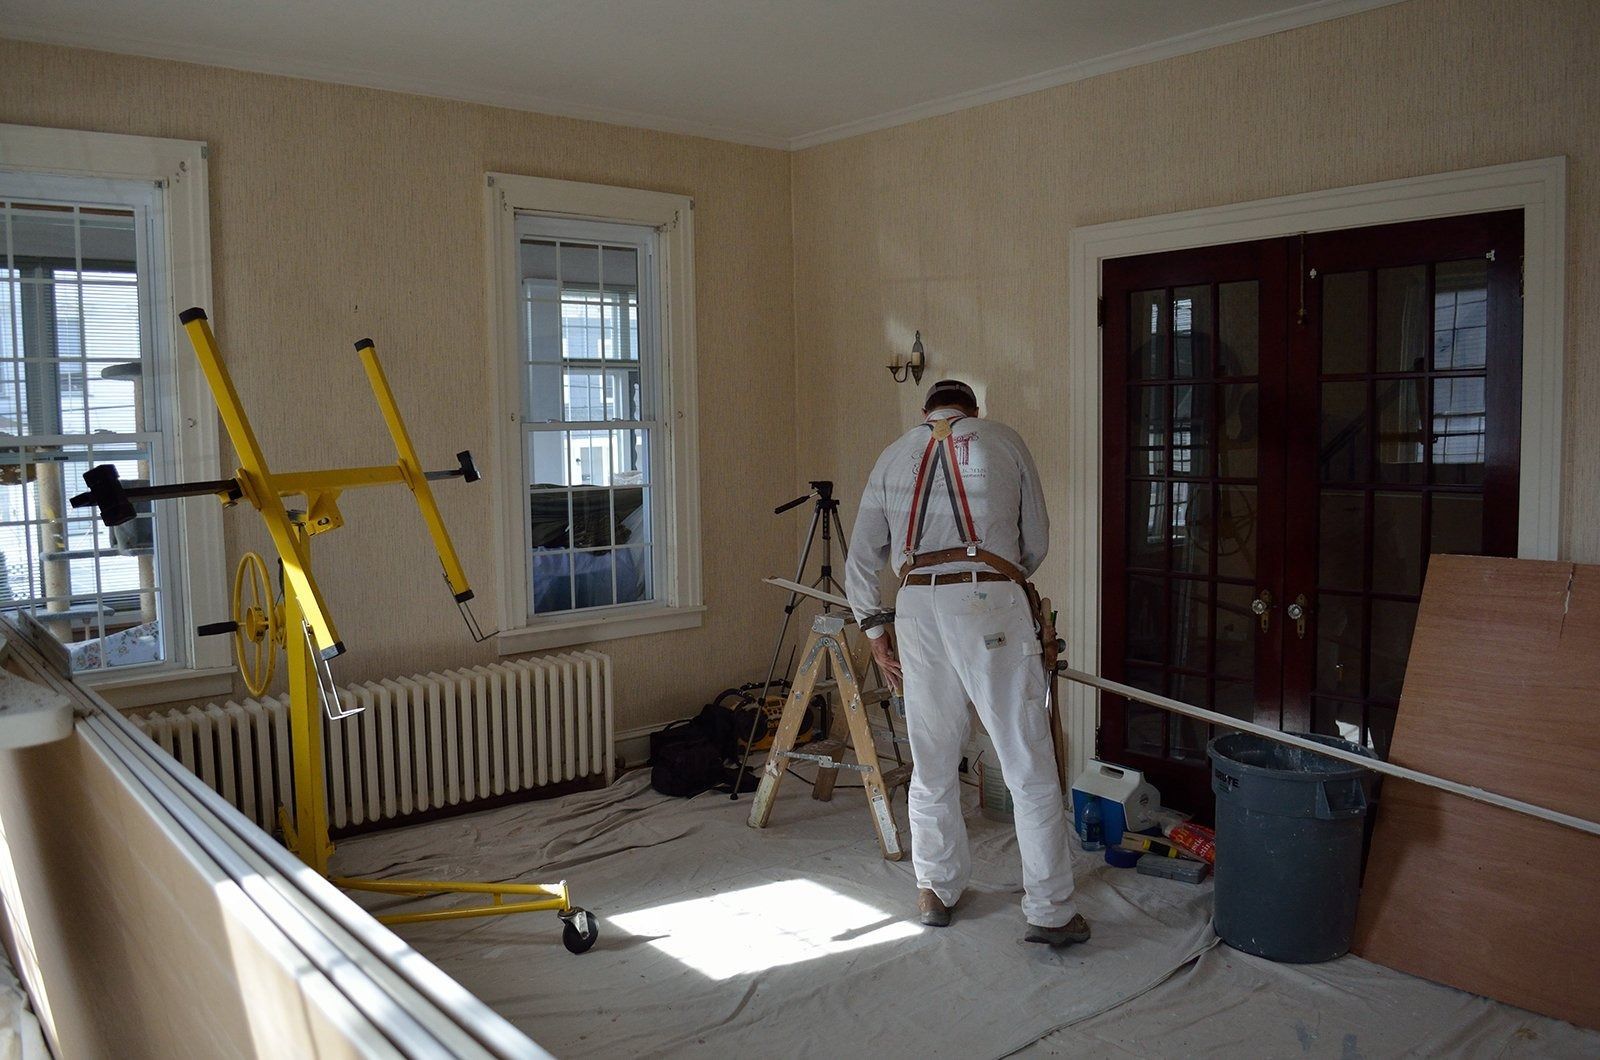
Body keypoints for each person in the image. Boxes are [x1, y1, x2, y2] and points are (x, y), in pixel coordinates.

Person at [844, 378, 1087, 947]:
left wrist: (875, 627)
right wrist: (1001, 572)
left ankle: (935, 890)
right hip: (988, 597)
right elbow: (1037, 541)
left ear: (924, 413)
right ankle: (1050, 911)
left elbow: (860, 557)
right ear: (974, 410)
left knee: (931, 755)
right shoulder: (1003, 439)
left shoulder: (891, 455)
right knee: (1026, 758)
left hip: (916, 603)